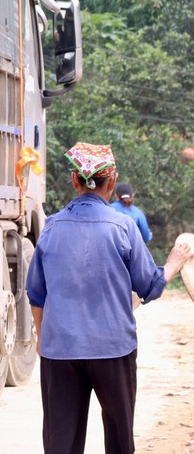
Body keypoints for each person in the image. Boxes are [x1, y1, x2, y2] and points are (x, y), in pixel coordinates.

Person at [26, 142, 192, 454]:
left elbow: (36, 294)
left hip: (60, 350)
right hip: (114, 349)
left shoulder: (51, 228)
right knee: (118, 440)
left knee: (60, 444)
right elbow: (150, 286)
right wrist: (173, 262)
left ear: (74, 180)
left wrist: (41, 339)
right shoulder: (123, 226)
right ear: (112, 181)